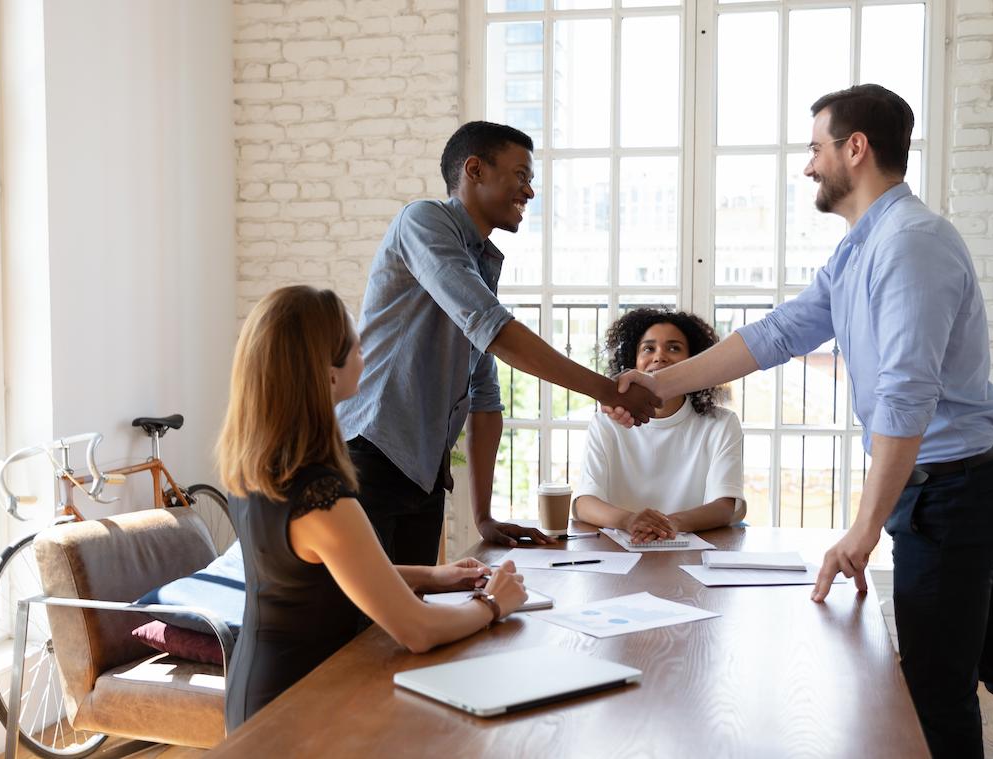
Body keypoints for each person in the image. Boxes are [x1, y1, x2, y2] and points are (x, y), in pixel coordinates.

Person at [606, 85, 993, 756]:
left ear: (855, 149)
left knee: (934, 687)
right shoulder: (863, 245)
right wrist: (657, 384)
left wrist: (862, 528)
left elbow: (906, 399)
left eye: (815, 149)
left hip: (953, 488)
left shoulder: (910, 245)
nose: (807, 166)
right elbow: (780, 332)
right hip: (961, 477)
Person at [337, 121, 659, 564]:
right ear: (475, 170)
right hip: (368, 456)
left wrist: (484, 517)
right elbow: (496, 330)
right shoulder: (424, 221)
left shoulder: (480, 262)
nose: (529, 192)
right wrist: (607, 390)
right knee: (370, 623)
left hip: (423, 475)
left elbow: (484, 399)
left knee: (414, 617)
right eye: (521, 176)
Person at [217, 285, 529, 730]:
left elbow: (320, 579)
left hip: (262, 690)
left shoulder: (262, 467)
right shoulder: (319, 496)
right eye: (357, 345)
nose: (366, 352)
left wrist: (434, 575)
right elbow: (416, 631)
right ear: (326, 374)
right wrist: (494, 604)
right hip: (293, 705)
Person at [572, 309, 745, 543]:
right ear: (632, 362)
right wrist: (630, 521)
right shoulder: (605, 423)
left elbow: (725, 505)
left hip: (692, 554)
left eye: (674, 348)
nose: (659, 356)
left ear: (696, 363)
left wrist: (670, 524)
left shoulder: (721, 424)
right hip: (620, 551)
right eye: (648, 348)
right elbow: (585, 503)